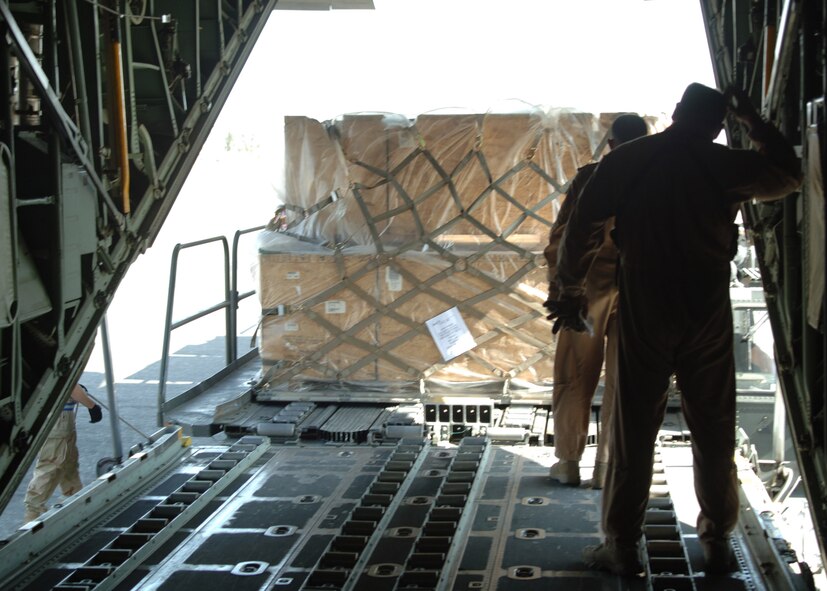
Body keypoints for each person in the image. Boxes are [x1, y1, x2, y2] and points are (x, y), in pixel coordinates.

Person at [549, 83, 801, 576]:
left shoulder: (627, 162)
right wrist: (751, 119)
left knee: (635, 426)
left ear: (677, 114)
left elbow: (581, 227)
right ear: (716, 125)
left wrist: (570, 290)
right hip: (705, 304)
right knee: (712, 426)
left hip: (646, 299)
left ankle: (621, 544)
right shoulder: (723, 165)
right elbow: (790, 173)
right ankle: (718, 541)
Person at [545, 114, 649, 489]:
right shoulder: (657, 177)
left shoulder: (592, 176)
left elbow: (566, 235)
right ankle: (607, 467)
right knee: (626, 379)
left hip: (589, 283)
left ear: (611, 143)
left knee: (574, 373)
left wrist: (560, 291)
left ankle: (568, 461)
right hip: (641, 284)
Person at [23, 383, 103, 522]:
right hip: (58, 419)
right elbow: (70, 385)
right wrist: (92, 406)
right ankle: (33, 515)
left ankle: (74, 501)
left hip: (61, 418)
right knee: (50, 466)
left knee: (68, 464)